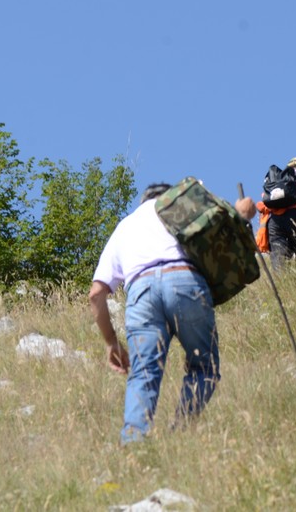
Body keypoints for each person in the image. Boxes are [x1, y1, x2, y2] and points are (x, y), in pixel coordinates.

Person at [88, 182, 256, 445]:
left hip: (140, 292)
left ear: (142, 201)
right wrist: (243, 214)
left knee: (143, 374)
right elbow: (227, 226)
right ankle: (181, 433)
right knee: (204, 367)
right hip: (185, 281)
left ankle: (133, 443)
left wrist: (112, 343)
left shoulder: (125, 226)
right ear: (171, 197)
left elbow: (96, 294)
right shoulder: (186, 208)